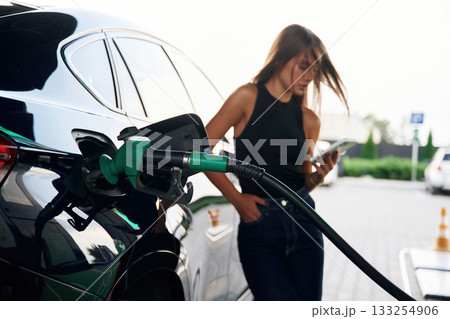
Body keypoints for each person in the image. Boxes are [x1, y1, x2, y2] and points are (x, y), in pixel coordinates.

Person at [204, 24, 349, 301]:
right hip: (260, 228)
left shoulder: (309, 120)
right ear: (280, 59)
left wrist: (318, 176)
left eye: (314, 72)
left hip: (305, 223)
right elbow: (201, 151)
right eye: (303, 66)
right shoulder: (247, 98)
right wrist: (237, 199)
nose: (309, 78)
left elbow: (303, 180)